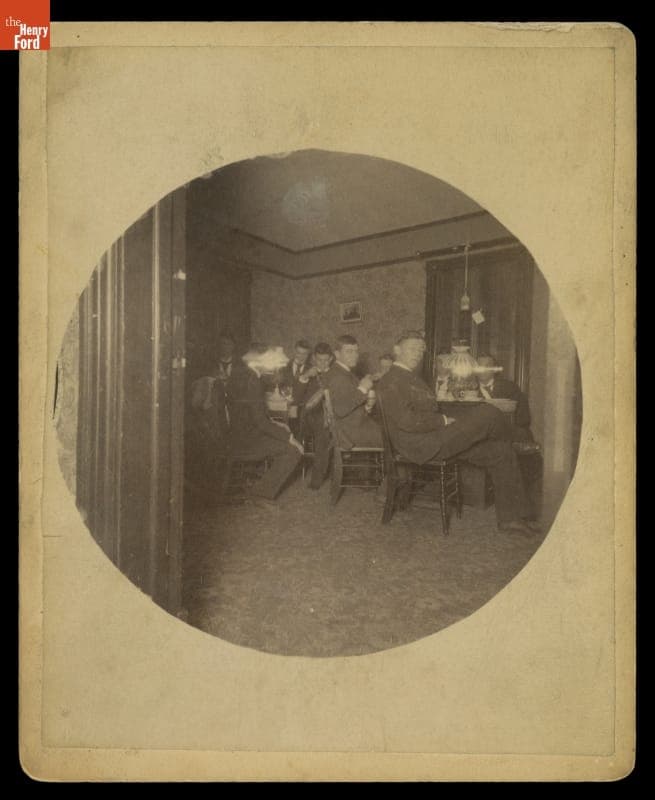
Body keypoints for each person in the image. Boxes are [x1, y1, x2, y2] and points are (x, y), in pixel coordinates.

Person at [376, 331, 539, 534]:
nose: (417, 353)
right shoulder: (391, 379)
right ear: (397, 350)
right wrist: (443, 420)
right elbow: (406, 421)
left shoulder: (410, 377)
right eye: (412, 348)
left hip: (432, 438)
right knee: (488, 411)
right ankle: (519, 439)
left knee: (501, 451)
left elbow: (426, 411)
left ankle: (511, 519)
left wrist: (451, 420)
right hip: (420, 446)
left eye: (420, 349)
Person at [225, 343, 303, 502]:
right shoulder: (252, 381)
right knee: (293, 450)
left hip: (238, 433)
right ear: (258, 361)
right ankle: (260, 494)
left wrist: (276, 424)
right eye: (269, 360)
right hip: (246, 440)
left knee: (284, 433)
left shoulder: (242, 375)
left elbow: (254, 415)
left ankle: (258, 489)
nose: (272, 364)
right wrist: (289, 438)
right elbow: (260, 422)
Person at [320, 335, 382, 449]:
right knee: (394, 438)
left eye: (356, 351)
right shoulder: (337, 376)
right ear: (337, 354)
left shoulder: (343, 372)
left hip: (354, 427)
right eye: (349, 351)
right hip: (351, 433)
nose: (355, 355)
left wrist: (367, 406)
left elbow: (349, 402)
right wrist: (363, 388)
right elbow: (341, 409)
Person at [295, 342, 334, 490]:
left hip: (332, 416)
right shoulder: (308, 374)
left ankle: (321, 477)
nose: (322, 364)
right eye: (319, 360)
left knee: (324, 431)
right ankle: (311, 477)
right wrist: (305, 377)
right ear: (313, 359)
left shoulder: (336, 374)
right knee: (318, 428)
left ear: (331, 359)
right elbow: (296, 398)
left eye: (325, 360)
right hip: (309, 417)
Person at [476, 354, 533, 439]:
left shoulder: (510, 388)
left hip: (507, 436)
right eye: (479, 366)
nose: (482, 370)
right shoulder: (469, 390)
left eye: (487, 366)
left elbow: (523, 418)